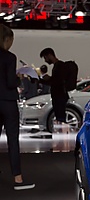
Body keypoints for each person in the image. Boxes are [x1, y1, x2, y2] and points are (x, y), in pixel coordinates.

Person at [0, 25, 35, 190]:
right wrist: (19, 78)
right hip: (8, 102)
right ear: (6, 39)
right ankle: (18, 179)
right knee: (12, 140)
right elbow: (10, 82)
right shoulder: (10, 57)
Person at [39, 48, 68, 131]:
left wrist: (47, 79)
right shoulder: (57, 66)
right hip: (59, 95)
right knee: (59, 116)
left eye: (45, 58)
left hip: (59, 96)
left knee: (60, 117)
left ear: (49, 55)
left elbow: (56, 81)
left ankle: (62, 134)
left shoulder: (59, 66)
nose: (45, 60)